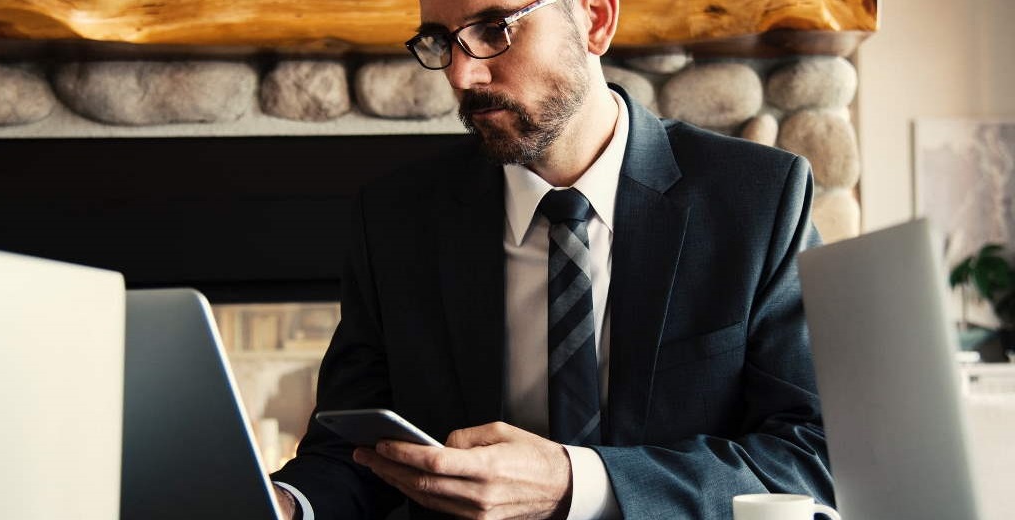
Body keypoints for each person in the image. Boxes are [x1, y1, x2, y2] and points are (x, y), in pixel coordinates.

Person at [271, 0, 834, 517]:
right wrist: (286, 505)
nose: (462, 75)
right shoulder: (395, 217)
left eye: (494, 30)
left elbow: (812, 455)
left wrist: (577, 483)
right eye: (441, 41)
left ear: (594, 20)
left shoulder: (759, 199)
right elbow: (353, 453)